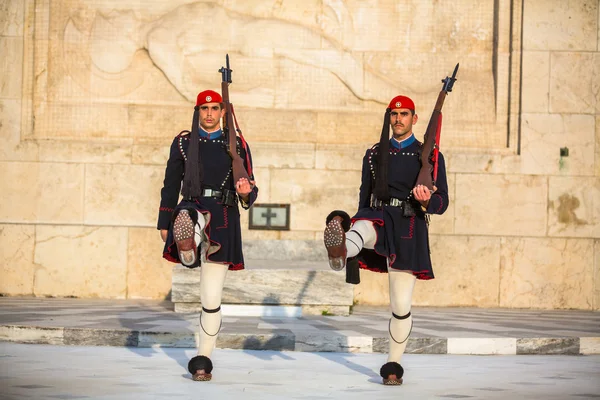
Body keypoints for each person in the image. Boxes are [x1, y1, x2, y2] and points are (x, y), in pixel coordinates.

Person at [323, 95, 449, 386]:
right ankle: (341, 249)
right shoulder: (373, 153)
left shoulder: (430, 156)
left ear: (414, 119)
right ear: (388, 117)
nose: (398, 119)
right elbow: (363, 195)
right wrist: (355, 217)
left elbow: (442, 203)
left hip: (408, 226)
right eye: (394, 114)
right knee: (362, 226)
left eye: (404, 114)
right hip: (378, 214)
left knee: (401, 305)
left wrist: (428, 200)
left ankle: (393, 364)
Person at [157, 89, 258, 381]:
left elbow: (250, 190)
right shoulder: (184, 143)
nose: (210, 114)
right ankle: (187, 243)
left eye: (215, 108)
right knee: (190, 218)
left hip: (225, 213)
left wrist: (246, 193)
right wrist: (165, 219)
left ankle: (203, 357)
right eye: (205, 108)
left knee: (211, 297)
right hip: (192, 205)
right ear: (198, 111)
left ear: (223, 112)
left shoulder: (237, 144)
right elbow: (170, 182)